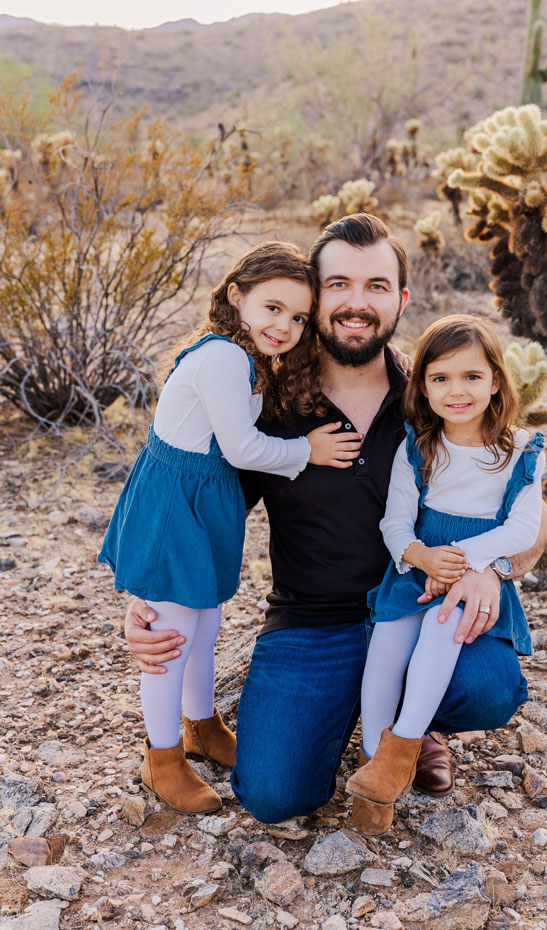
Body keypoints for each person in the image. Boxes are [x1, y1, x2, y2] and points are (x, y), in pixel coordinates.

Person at [123, 214, 547, 835]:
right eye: (340, 286)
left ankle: (406, 727)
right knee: (275, 796)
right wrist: (149, 596)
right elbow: (190, 501)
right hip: (312, 624)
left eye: (376, 286)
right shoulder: (264, 407)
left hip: (416, 607)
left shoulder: (433, 394)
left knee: (490, 687)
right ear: (314, 295)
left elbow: (533, 513)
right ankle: (362, 715)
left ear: (401, 299)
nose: (358, 303)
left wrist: (496, 565)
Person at [98, 241, 362, 815]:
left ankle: (201, 724)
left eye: (297, 318)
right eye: (272, 308)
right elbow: (242, 447)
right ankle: (161, 757)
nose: (284, 326)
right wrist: (307, 450)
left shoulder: (247, 360)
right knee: (172, 633)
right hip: (177, 507)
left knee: (206, 620)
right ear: (236, 296)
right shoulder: (221, 357)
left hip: (203, 501)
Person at [345, 315, 545, 832]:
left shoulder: (522, 451)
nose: (457, 391)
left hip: (467, 576)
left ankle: (403, 746)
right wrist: (420, 557)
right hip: (418, 573)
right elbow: (394, 521)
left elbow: (524, 526)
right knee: (387, 647)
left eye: (472, 376)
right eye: (441, 378)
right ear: (423, 387)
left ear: (497, 380)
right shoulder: (419, 447)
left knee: (444, 628)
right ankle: (375, 764)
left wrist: (459, 561)